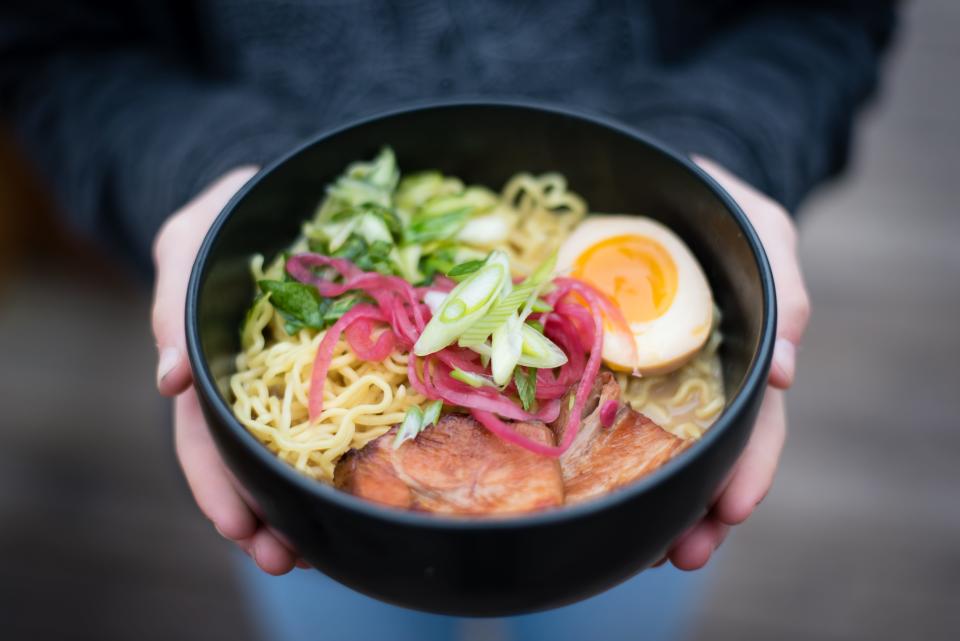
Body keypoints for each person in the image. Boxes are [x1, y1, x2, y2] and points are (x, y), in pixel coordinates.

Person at [1, 2, 895, 639]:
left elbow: (819, 19)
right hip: (310, 514)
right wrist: (193, 178)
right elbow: (55, 42)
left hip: (638, 524)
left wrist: (724, 155)